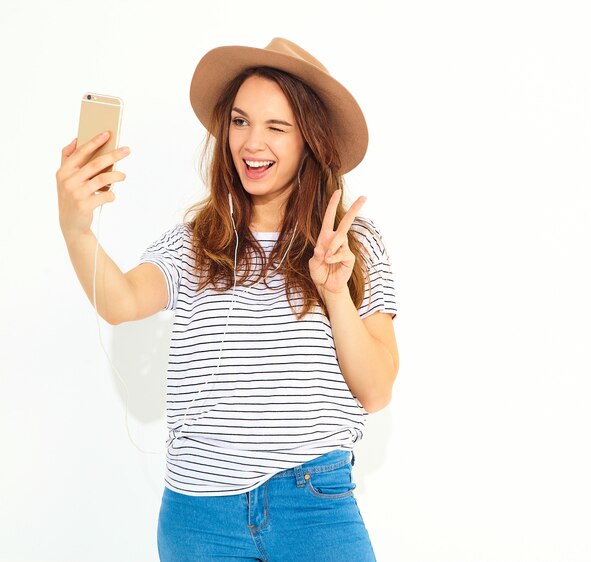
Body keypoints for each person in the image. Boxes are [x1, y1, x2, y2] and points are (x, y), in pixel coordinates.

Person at [56, 37, 399, 562]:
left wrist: (335, 294)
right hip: (200, 515)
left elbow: (375, 392)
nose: (250, 143)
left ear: (311, 141)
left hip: (314, 503)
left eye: (276, 127)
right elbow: (120, 301)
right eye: (239, 122)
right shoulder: (196, 241)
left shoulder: (356, 244)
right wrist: (76, 226)